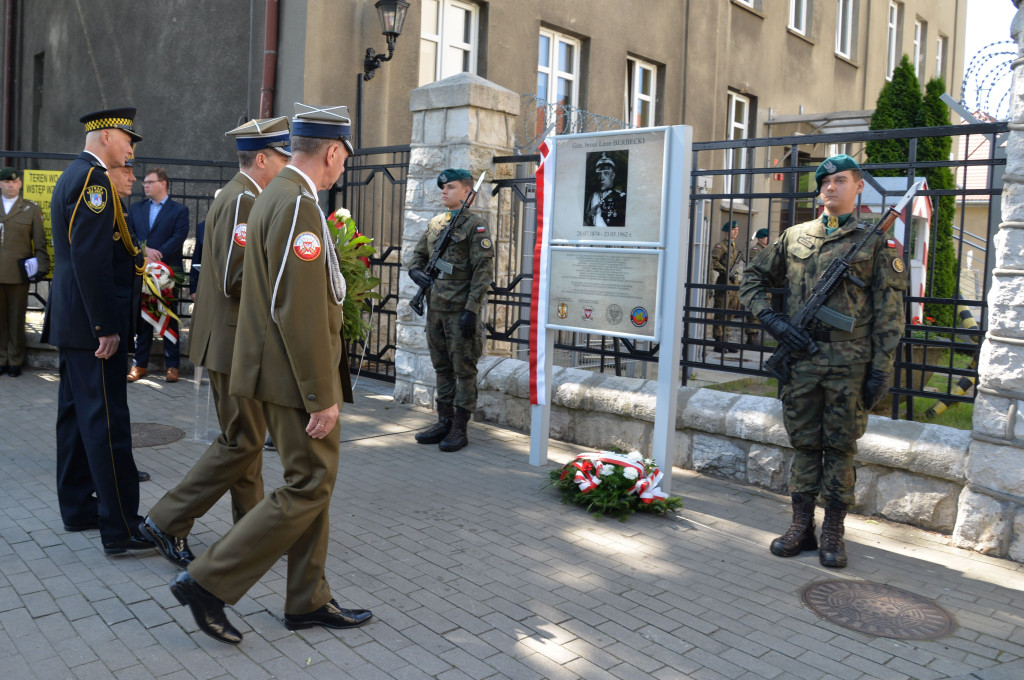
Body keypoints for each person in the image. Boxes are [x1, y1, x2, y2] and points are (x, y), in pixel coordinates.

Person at [169, 103, 370, 645]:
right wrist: (319, 394)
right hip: (293, 377)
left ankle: (308, 599)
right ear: (331, 152)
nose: (344, 167)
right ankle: (208, 581)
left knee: (313, 484)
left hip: (276, 370)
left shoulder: (278, 194)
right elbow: (296, 308)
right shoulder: (298, 204)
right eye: (345, 157)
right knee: (307, 485)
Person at [738, 154, 906, 568]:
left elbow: (890, 311)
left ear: (859, 186)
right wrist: (775, 322)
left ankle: (833, 530)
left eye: (841, 180)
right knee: (804, 444)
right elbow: (752, 281)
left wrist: (881, 367)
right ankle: (801, 526)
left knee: (841, 447)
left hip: (851, 363)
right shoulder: (794, 236)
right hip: (801, 359)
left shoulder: (876, 243)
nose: (831, 187)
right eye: (825, 181)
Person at [140, 117, 292, 569]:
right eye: (283, 158)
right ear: (262, 158)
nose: (286, 166)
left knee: (242, 439)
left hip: (226, 337)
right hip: (233, 340)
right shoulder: (246, 200)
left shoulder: (238, 194)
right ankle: (168, 519)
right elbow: (234, 276)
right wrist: (288, 289)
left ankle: (251, 533)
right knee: (242, 442)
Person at [41, 107, 154, 555]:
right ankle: (120, 526)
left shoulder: (75, 174)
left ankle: (78, 507)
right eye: (128, 140)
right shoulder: (95, 181)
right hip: (92, 326)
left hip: (72, 320)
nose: (131, 149)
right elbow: (90, 260)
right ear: (105, 135)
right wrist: (106, 327)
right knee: (107, 423)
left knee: (74, 418)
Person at [408, 168, 494, 452]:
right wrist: (416, 273)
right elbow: (417, 255)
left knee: (464, 370)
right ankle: (443, 420)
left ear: (468, 192)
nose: (444, 191)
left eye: (451, 187)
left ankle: (460, 426)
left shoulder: (475, 226)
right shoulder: (436, 223)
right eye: (443, 187)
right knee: (441, 367)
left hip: (460, 311)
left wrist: (472, 309)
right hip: (436, 309)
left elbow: (483, 271)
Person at [127, 167, 189, 382]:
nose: (145, 185)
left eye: (150, 182)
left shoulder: (179, 210)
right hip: (142, 271)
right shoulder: (136, 209)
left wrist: (158, 254)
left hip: (167, 273)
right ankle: (139, 365)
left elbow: (179, 236)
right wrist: (145, 250)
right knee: (142, 318)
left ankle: (172, 366)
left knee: (168, 317)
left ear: (163, 184)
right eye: (144, 182)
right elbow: (130, 234)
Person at [0, 166, 49, 377]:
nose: (10, 185)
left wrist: (42, 267)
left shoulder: (30, 208)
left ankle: (15, 359)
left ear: (20, 184)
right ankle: (1, 358)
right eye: (5, 182)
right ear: (0, 184)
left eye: (14, 182)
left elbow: (39, 241)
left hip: (18, 274)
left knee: (17, 317)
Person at [709, 220, 741, 353]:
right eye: (734, 229)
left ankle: (725, 340)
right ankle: (718, 342)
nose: (736, 232)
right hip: (723, 283)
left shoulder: (734, 247)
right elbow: (713, 262)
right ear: (727, 231)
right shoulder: (720, 246)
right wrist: (726, 272)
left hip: (733, 285)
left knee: (729, 314)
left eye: (737, 229)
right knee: (721, 313)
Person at [743, 227, 770, 347]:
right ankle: (751, 337)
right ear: (761, 238)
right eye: (766, 237)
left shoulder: (767, 249)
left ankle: (755, 336)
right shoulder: (756, 249)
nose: (768, 239)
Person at [583, 153, 626, 226]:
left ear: (613, 175)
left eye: (606, 173)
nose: (601, 178)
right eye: (599, 174)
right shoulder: (592, 196)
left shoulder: (620, 197)